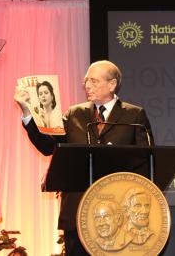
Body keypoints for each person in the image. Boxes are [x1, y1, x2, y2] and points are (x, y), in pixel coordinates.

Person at [14, 60, 154, 255]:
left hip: (118, 215)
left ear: (112, 84)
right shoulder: (74, 114)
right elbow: (48, 146)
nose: (87, 86)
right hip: (77, 212)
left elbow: (145, 161)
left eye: (94, 81)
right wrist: (27, 113)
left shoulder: (134, 115)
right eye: (86, 81)